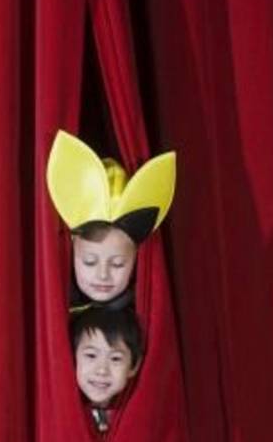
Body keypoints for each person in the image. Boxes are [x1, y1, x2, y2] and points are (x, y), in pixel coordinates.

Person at [46, 130, 176, 310]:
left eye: (117, 264)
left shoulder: (142, 311)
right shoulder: (55, 304)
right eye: (89, 261)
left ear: (136, 258)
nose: (103, 275)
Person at [70, 306, 144, 433]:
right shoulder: (62, 410)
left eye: (115, 358)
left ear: (134, 366)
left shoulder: (138, 415)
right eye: (91, 355)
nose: (102, 370)